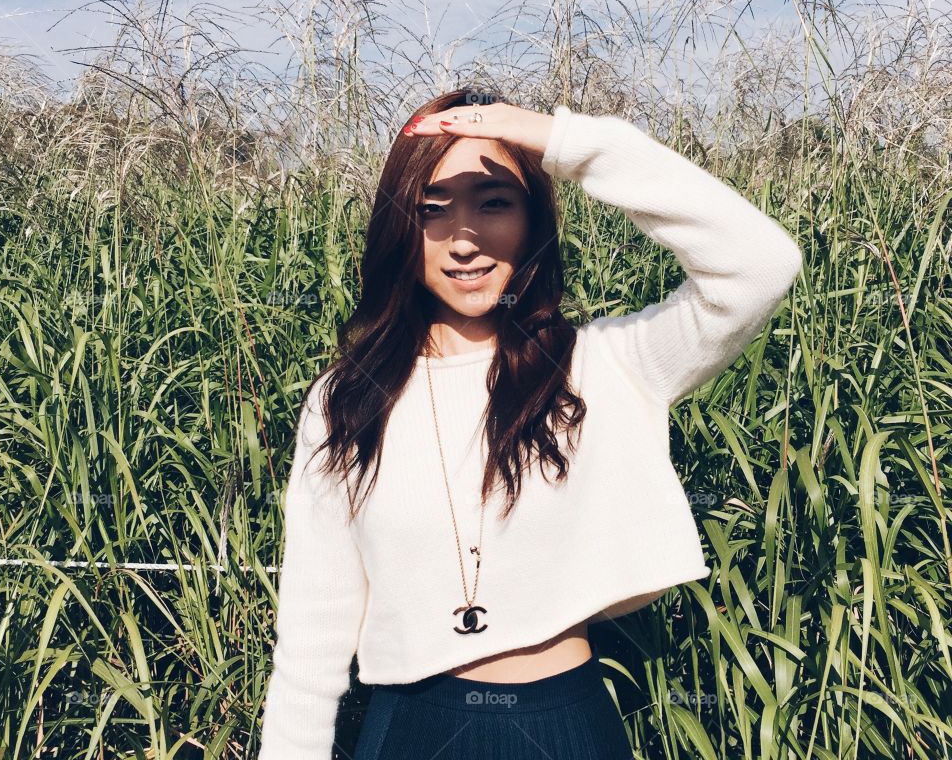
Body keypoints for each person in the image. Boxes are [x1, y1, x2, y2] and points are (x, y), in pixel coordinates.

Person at [257, 88, 803, 759]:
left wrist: (563, 142)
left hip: (563, 728)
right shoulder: (349, 399)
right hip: (409, 730)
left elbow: (759, 265)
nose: (465, 240)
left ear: (532, 217)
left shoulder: (606, 367)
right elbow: (312, 636)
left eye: (494, 202)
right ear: (404, 226)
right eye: (434, 209)